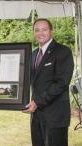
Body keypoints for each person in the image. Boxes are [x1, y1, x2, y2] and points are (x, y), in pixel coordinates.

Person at [23, 18, 74, 146]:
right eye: (37, 30)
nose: (40, 33)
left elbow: (61, 83)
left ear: (51, 31)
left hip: (55, 116)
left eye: (44, 29)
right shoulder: (33, 54)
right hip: (36, 116)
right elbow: (26, 80)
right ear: (33, 33)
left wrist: (37, 102)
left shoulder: (63, 51)